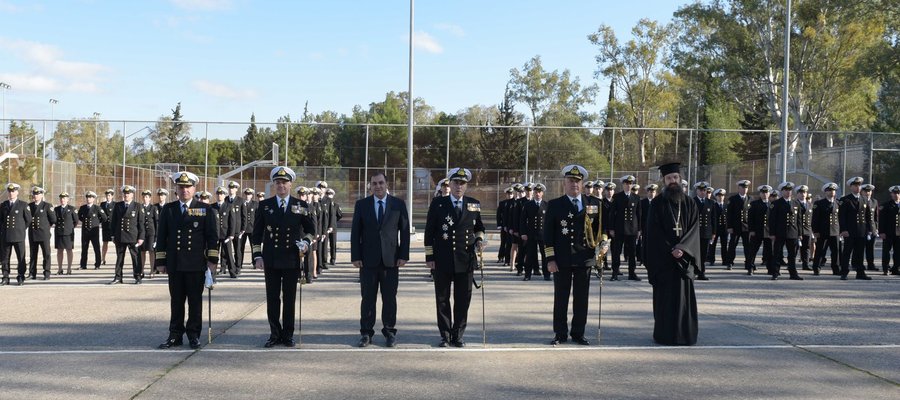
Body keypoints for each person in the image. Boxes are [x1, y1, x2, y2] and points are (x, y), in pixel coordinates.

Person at [251, 166, 315, 348]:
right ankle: (274, 333)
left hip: (291, 258)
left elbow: (311, 230)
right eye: (278, 183)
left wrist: (306, 242)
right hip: (271, 259)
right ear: (274, 185)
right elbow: (257, 234)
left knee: (289, 299)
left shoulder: (300, 205)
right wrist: (257, 256)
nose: (281, 186)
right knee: (272, 299)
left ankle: (288, 334)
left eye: (284, 182)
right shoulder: (265, 206)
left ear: (290, 184)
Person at [156, 171, 219, 350]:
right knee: (176, 301)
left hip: (195, 263)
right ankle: (175, 335)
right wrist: (160, 261)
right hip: (175, 263)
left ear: (194, 188)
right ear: (176, 188)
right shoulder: (169, 209)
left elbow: (212, 237)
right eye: (181, 187)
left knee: (194, 301)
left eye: (188, 187)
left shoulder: (205, 209)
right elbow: (162, 237)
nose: (184, 190)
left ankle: (193, 335)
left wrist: (212, 260)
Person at [424, 167, 485, 347]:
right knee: (442, 299)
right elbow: (429, 232)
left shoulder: (473, 204)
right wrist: (430, 257)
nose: (459, 186)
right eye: (456, 182)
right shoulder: (438, 204)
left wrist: (480, 239)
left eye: (462, 183)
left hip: (465, 260)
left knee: (463, 299)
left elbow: (479, 227)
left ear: (466, 186)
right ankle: (444, 334)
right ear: (449, 183)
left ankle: (457, 335)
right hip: (442, 259)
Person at [350, 171, 410, 348]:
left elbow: (404, 231)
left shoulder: (398, 204)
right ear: (370, 185)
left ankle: (390, 331)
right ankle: (366, 333)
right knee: (367, 298)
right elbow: (356, 232)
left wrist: (403, 255)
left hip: (391, 260)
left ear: (386, 184)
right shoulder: (362, 205)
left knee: (389, 298)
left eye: (381, 183)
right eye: (374, 183)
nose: (378, 186)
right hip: (367, 261)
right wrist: (355, 256)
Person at [544, 164, 601, 346]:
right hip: (562, 260)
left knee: (581, 299)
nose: (574, 184)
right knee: (561, 299)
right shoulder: (555, 205)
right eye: (570, 181)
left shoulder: (593, 204)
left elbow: (601, 230)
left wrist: (603, 246)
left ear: (582, 183)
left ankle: (578, 333)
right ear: (564, 183)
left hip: (584, 258)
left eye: (577, 181)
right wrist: (550, 259)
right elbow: (547, 236)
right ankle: (560, 333)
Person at [643, 162, 699, 346]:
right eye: (669, 178)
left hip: (684, 260)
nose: (672, 181)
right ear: (663, 181)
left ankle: (686, 335)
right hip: (664, 262)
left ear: (680, 179)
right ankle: (664, 335)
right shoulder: (657, 204)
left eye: (675, 177)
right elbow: (653, 232)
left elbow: (694, 230)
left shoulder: (690, 203)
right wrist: (671, 250)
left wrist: (682, 248)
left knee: (684, 300)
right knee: (665, 300)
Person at [109, 185, 145, 285]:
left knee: (136, 258)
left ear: (132, 195)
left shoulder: (137, 206)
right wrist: (112, 235)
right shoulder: (118, 205)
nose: (126, 195)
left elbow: (141, 223)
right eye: (125, 193)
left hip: (133, 236)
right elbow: (114, 222)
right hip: (120, 236)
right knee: (119, 258)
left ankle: (138, 276)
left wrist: (141, 237)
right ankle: (118, 277)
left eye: (128, 194)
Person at [609, 175, 642, 281]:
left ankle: (632, 273)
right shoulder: (617, 197)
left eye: (630, 184)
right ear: (622, 184)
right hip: (619, 228)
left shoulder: (636, 197)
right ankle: (615, 272)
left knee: (632, 253)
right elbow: (612, 213)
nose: (628, 186)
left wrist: (639, 229)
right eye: (626, 184)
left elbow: (639, 214)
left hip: (632, 229)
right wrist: (611, 228)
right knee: (616, 252)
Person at [839, 177, 871, 280]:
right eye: (855, 185)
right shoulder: (845, 200)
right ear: (851, 187)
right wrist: (843, 230)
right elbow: (842, 217)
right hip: (850, 231)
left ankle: (860, 272)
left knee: (860, 252)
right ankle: (844, 272)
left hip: (861, 230)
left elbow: (868, 216)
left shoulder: (864, 199)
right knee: (847, 252)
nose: (858, 187)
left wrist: (869, 229)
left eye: (859, 185)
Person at [769, 182, 803, 280]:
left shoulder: (796, 203)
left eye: (790, 190)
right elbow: (772, 220)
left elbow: (799, 220)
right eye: (786, 190)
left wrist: (800, 233)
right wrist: (772, 233)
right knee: (777, 253)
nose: (788, 192)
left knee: (792, 255)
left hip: (793, 233)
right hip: (780, 232)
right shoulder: (776, 203)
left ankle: (793, 273)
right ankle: (775, 272)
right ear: (782, 191)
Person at [28, 187, 57, 280]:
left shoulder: (47, 206)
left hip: (43, 234)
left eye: (38, 194)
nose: (36, 196)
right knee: (33, 254)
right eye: (34, 194)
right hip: (32, 233)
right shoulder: (29, 206)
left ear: (41, 195)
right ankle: (32, 273)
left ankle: (47, 273)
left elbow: (53, 219)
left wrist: (45, 227)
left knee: (46, 254)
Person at [812, 183, 841, 275]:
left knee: (835, 251)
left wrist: (841, 230)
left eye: (833, 190)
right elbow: (815, 218)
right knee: (820, 250)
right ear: (825, 192)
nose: (832, 192)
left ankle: (836, 268)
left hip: (835, 231)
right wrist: (815, 231)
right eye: (829, 190)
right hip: (822, 231)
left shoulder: (838, 203)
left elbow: (840, 218)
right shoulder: (819, 203)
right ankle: (817, 267)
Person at [522, 183, 549, 281]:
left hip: (543, 234)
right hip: (531, 234)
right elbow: (523, 220)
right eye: (536, 192)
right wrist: (523, 233)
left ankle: (547, 274)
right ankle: (527, 275)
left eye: (539, 192)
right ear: (533, 193)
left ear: (542, 193)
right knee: (530, 255)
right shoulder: (528, 205)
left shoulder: (547, 205)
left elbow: (550, 221)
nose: (537, 194)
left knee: (545, 255)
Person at [746, 185, 773, 276]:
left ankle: (770, 268)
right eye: (763, 192)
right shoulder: (754, 204)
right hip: (757, 231)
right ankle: (750, 267)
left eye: (766, 192)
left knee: (769, 251)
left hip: (768, 232)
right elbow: (750, 218)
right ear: (760, 194)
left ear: (769, 194)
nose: (765, 194)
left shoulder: (772, 204)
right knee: (753, 250)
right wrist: (751, 230)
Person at [726, 180, 753, 270]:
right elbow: (729, 214)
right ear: (739, 188)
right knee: (732, 245)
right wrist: (729, 226)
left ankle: (748, 263)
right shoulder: (733, 199)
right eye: (743, 187)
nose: (744, 189)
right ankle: (729, 262)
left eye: (746, 188)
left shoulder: (750, 199)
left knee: (748, 246)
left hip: (746, 227)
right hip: (735, 226)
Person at [212, 187, 238, 278]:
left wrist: (231, 234)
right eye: (218, 194)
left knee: (229, 254)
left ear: (224, 195)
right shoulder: (212, 207)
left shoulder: (229, 206)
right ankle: (212, 272)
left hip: (226, 234)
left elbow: (232, 221)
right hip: (215, 235)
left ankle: (232, 272)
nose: (219, 195)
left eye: (222, 194)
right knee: (213, 255)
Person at [78, 191, 106, 270]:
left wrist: (97, 222)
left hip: (94, 231)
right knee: (84, 248)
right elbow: (79, 217)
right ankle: (83, 265)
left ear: (93, 199)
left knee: (96, 248)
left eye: (90, 197)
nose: (88, 199)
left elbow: (104, 217)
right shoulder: (83, 208)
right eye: (87, 197)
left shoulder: (97, 208)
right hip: (85, 230)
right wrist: (84, 221)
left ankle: (97, 264)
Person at [693, 182, 715, 280]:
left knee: (704, 253)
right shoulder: (692, 201)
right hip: (695, 232)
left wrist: (713, 232)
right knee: (694, 253)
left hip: (706, 232)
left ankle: (701, 272)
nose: (702, 192)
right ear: (697, 191)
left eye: (704, 190)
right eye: (700, 190)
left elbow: (713, 219)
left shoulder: (711, 202)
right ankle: (693, 271)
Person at [54, 192, 78, 275]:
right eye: (61, 198)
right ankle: (60, 269)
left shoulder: (72, 209)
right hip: (59, 232)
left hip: (68, 233)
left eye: (64, 198)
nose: (62, 200)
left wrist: (69, 228)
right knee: (59, 251)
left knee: (69, 250)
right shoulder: (56, 209)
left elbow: (76, 221)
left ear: (68, 199)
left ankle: (69, 268)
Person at [226, 181, 247, 274]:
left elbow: (244, 216)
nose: (231, 190)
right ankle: (227, 267)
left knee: (237, 249)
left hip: (237, 230)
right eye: (230, 188)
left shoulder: (241, 200)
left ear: (236, 189)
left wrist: (243, 229)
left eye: (233, 188)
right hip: (227, 230)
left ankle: (238, 267)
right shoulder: (225, 199)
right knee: (226, 250)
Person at [879, 186, 900, 275]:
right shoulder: (886, 205)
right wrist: (881, 232)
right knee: (886, 251)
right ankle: (885, 268)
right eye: (894, 193)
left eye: (898, 193)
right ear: (891, 194)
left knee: (898, 251)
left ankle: (896, 268)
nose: (896, 195)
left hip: (899, 233)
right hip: (888, 232)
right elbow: (882, 220)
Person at [139, 190, 159, 279]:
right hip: (142, 233)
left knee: (151, 252)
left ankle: (152, 270)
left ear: (150, 198)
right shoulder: (139, 207)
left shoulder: (153, 208)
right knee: (142, 252)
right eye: (144, 197)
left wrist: (156, 237)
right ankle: (141, 270)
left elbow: (156, 223)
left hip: (151, 233)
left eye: (147, 197)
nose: (145, 198)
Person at [238, 188, 258, 270]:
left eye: (249, 194)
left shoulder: (255, 204)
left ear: (252, 195)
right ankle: (239, 263)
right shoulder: (240, 203)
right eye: (246, 194)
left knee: (253, 247)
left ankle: (254, 262)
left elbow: (257, 216)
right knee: (240, 247)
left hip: (252, 228)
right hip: (242, 229)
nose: (247, 196)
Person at [794, 185, 814, 271]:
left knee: (806, 248)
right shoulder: (794, 203)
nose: (803, 194)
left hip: (807, 229)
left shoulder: (809, 204)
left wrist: (812, 230)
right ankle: (791, 264)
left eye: (805, 192)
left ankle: (805, 264)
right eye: (801, 192)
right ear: (797, 194)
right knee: (794, 248)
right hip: (796, 229)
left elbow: (812, 218)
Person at [861, 184, 879, 271]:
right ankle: (857, 264)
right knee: (860, 248)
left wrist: (876, 228)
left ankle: (870, 264)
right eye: (866, 191)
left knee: (871, 248)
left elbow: (875, 217)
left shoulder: (874, 201)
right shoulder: (860, 201)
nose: (868, 193)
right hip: (862, 228)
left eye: (869, 191)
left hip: (872, 229)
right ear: (862, 192)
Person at [710, 189, 729, 267]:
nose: (721, 197)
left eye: (722, 196)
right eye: (719, 196)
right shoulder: (713, 206)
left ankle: (724, 260)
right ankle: (711, 259)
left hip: (724, 229)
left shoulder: (726, 206)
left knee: (724, 245)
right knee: (713, 245)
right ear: (716, 197)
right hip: (716, 228)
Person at [497, 187, 514, 265]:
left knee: (510, 243)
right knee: (503, 242)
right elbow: (499, 215)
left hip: (511, 227)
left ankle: (510, 259)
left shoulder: (515, 202)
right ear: (506, 194)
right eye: (508, 194)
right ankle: (501, 257)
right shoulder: (503, 203)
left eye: (511, 194)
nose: (510, 195)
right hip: (504, 226)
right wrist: (499, 224)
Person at [325, 188, 341, 266]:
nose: (329, 196)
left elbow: (339, 215)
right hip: (325, 227)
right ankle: (325, 259)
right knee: (324, 244)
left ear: (333, 195)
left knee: (333, 244)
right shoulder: (324, 204)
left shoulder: (336, 205)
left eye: (330, 194)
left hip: (333, 227)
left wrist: (334, 221)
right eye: (328, 194)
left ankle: (333, 258)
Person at [100, 189, 116, 266]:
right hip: (105, 226)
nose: (108, 197)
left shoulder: (115, 204)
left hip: (113, 226)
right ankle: (103, 258)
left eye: (109, 195)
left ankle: (118, 258)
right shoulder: (102, 204)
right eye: (107, 195)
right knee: (105, 243)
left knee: (116, 243)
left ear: (112, 196)